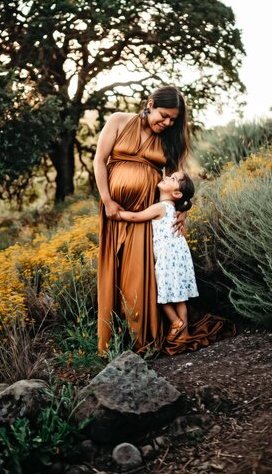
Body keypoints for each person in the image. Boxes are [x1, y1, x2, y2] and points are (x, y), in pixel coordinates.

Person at [94, 85, 233, 356]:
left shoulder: (170, 138)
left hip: (146, 212)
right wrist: (108, 200)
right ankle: (112, 338)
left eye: (172, 119)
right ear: (150, 104)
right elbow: (100, 160)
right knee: (114, 268)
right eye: (164, 115)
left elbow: (178, 181)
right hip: (114, 208)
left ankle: (142, 337)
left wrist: (184, 209)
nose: (167, 123)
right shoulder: (118, 121)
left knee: (137, 273)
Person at [117, 171, 199, 343]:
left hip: (167, 258)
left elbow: (135, 217)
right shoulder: (172, 209)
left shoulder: (160, 207)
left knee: (162, 294)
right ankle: (184, 334)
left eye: (173, 179)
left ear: (176, 193)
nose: (167, 177)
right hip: (179, 257)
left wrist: (117, 214)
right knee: (179, 295)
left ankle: (176, 322)